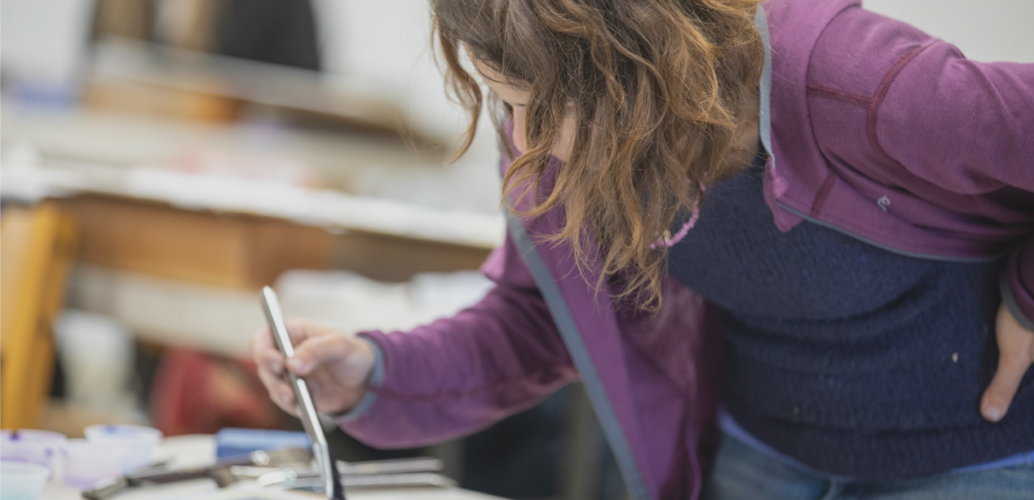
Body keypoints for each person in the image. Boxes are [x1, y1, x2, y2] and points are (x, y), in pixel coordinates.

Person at [252, 0, 1034, 498]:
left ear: (628, 71)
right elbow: (541, 322)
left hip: (972, 451)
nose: (519, 138)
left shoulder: (854, 80)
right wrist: (375, 371)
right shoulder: (553, 134)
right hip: (767, 449)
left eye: (532, 105)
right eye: (503, 101)